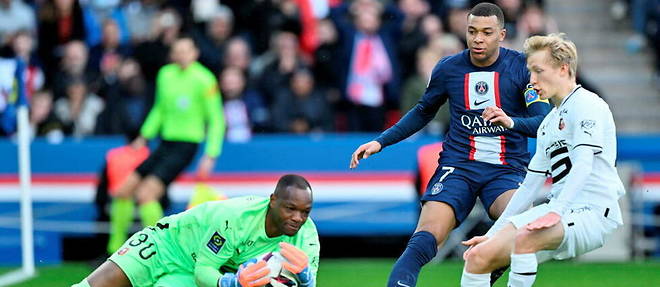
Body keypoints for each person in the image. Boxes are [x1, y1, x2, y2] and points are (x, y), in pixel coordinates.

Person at [349, 3, 551, 287]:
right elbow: (422, 111)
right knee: (425, 236)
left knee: (520, 230)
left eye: (486, 32)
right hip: (459, 166)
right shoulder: (448, 68)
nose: (478, 38)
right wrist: (381, 142)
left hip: (506, 170)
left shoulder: (522, 68)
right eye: (472, 31)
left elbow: (543, 121)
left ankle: (484, 272)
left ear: (502, 34)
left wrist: (511, 122)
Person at [459, 33, 625, 287]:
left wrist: (556, 210)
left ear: (563, 69)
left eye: (538, 71)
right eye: (530, 72)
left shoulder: (588, 104)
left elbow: (583, 164)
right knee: (479, 256)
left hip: (593, 211)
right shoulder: (548, 122)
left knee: (526, 237)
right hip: (559, 209)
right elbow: (530, 186)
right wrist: (491, 234)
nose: (532, 81)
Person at [73, 174, 319, 287]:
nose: (298, 218)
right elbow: (205, 269)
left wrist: (306, 280)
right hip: (165, 245)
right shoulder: (235, 218)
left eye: (305, 211)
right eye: (290, 208)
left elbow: (201, 274)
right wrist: (233, 283)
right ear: (272, 200)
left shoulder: (307, 238)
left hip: (195, 273)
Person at [106, 37, 225, 254]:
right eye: (177, 51)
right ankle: (114, 250)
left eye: (186, 50)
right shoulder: (166, 74)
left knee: (146, 195)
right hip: (165, 142)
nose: (182, 55)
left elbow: (217, 119)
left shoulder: (204, 79)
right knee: (123, 190)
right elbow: (159, 109)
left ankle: (161, 251)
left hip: (186, 145)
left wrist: (211, 154)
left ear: (195, 53)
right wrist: (144, 136)